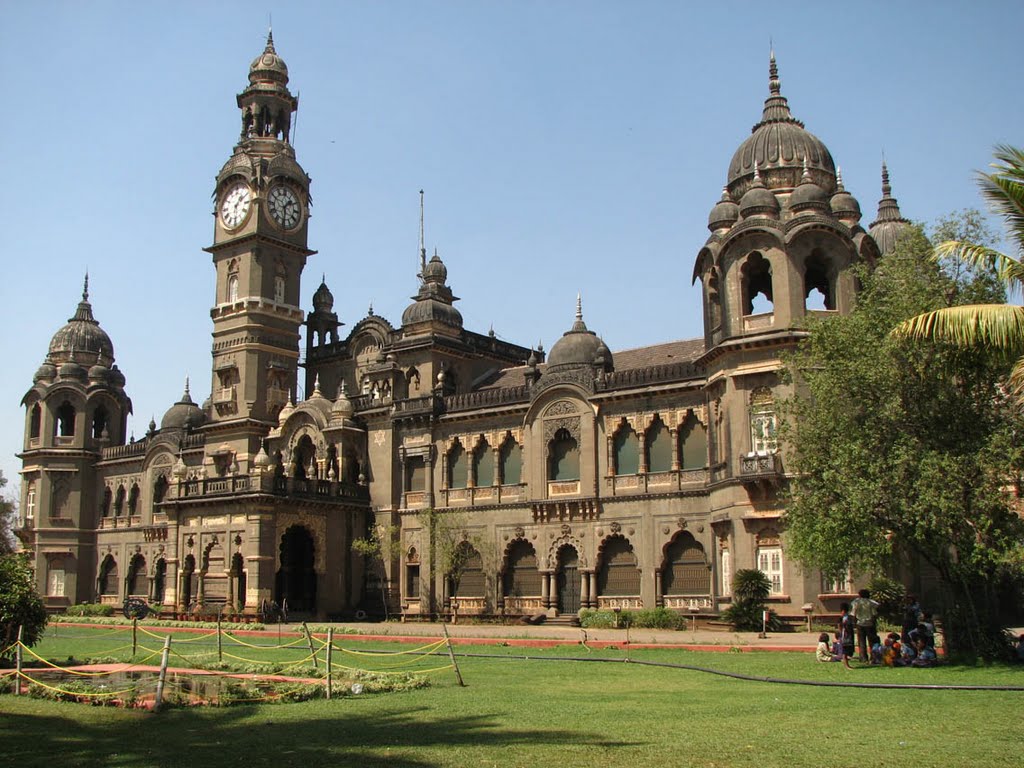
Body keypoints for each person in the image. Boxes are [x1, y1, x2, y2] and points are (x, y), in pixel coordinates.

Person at [851, 589, 879, 662]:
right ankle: (873, 657)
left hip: (860, 623)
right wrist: (874, 622)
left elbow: (853, 613)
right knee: (872, 641)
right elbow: (874, 614)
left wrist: (854, 622)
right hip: (869, 624)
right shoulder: (871, 602)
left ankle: (863, 657)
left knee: (861, 641)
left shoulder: (856, 602)